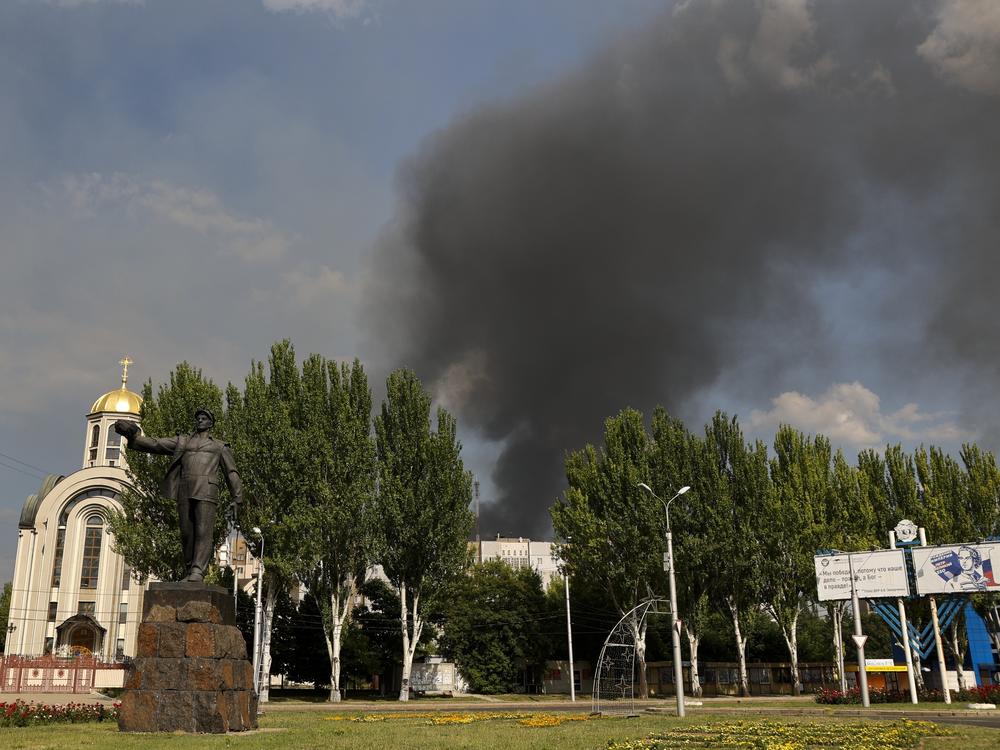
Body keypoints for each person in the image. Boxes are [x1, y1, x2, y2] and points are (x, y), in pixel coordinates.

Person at [115, 409, 242, 582]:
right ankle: (190, 570)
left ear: (211, 423)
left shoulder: (219, 446)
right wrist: (133, 437)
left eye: (204, 418)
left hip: (206, 491)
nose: (200, 420)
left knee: (203, 531)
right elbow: (156, 444)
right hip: (185, 490)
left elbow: (232, 472)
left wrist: (237, 498)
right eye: (198, 418)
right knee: (186, 533)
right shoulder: (183, 441)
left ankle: (198, 571)